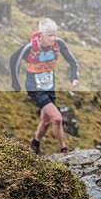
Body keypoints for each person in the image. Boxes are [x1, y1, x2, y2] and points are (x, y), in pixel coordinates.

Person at [10, 18, 80, 154]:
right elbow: (13, 60)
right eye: (49, 35)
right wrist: (15, 82)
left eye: (54, 34)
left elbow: (73, 62)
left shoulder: (59, 44)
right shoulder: (29, 48)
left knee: (45, 121)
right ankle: (64, 149)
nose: (53, 38)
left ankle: (35, 143)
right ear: (41, 35)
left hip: (49, 87)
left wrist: (74, 78)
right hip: (35, 89)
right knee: (57, 118)